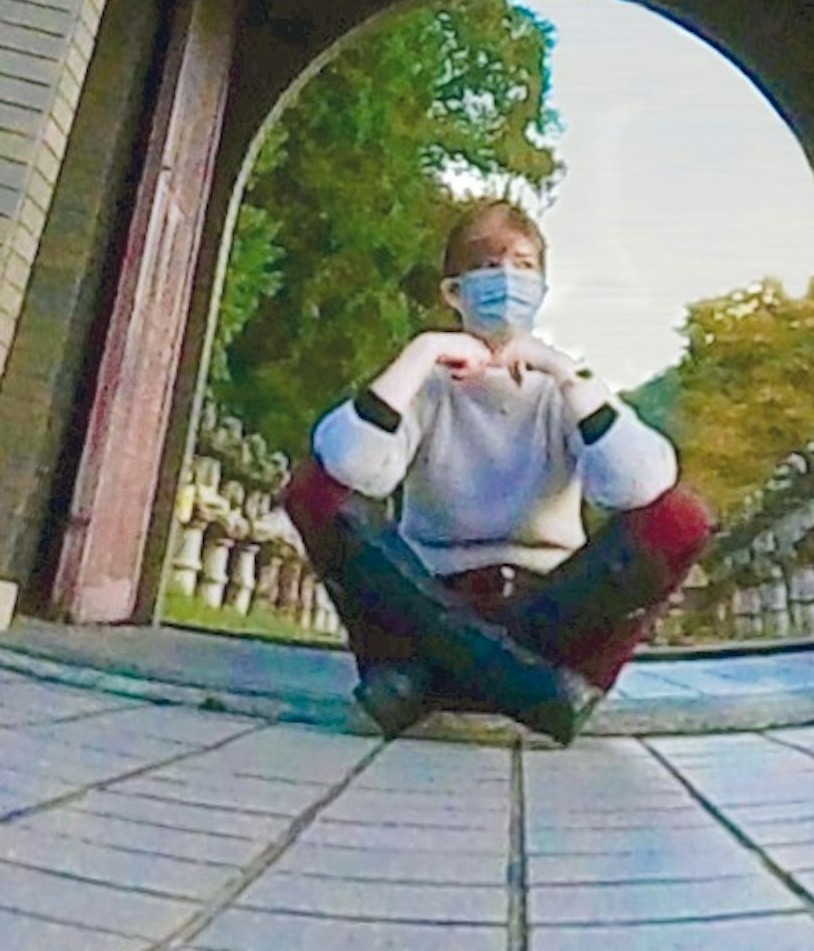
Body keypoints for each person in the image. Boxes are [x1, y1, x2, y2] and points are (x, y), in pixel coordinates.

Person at [282, 197, 710, 741]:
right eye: (486, 265)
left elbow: (641, 485)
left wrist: (562, 372)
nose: (507, 279)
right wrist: (422, 353)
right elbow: (346, 466)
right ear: (453, 291)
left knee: (681, 518)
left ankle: (442, 676)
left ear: (544, 288)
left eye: (524, 265)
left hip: (545, 610)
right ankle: (533, 691)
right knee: (311, 488)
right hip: (421, 597)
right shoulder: (424, 385)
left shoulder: (569, 386)